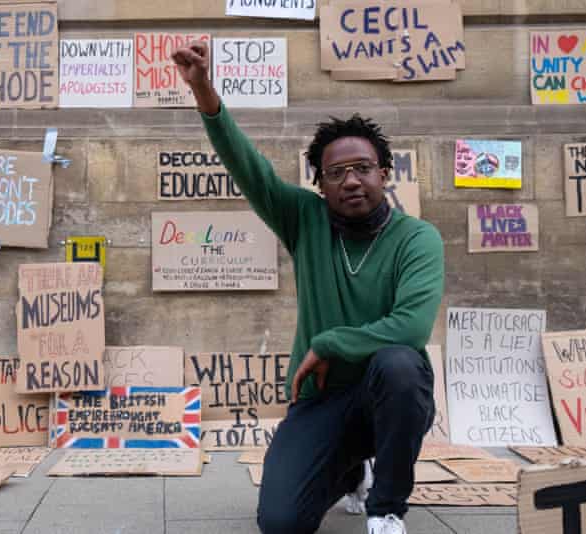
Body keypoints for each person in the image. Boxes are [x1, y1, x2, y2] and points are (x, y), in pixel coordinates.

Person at [172, 42, 444, 534]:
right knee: (281, 522)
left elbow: (411, 328)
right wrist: (203, 89)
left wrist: (330, 343)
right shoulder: (304, 219)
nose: (351, 181)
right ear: (321, 186)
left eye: (362, 168)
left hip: (392, 396)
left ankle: (386, 509)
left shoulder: (416, 239)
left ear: (384, 174)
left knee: (399, 363)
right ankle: (350, 470)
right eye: (336, 173)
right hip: (322, 399)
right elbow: (247, 166)